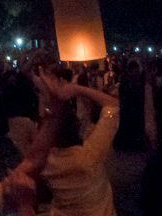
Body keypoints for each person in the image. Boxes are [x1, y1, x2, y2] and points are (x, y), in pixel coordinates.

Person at [37, 68, 121, 216]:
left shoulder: (42, 162)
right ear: (75, 125)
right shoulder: (91, 153)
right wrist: (76, 89)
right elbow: (113, 106)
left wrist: (53, 98)